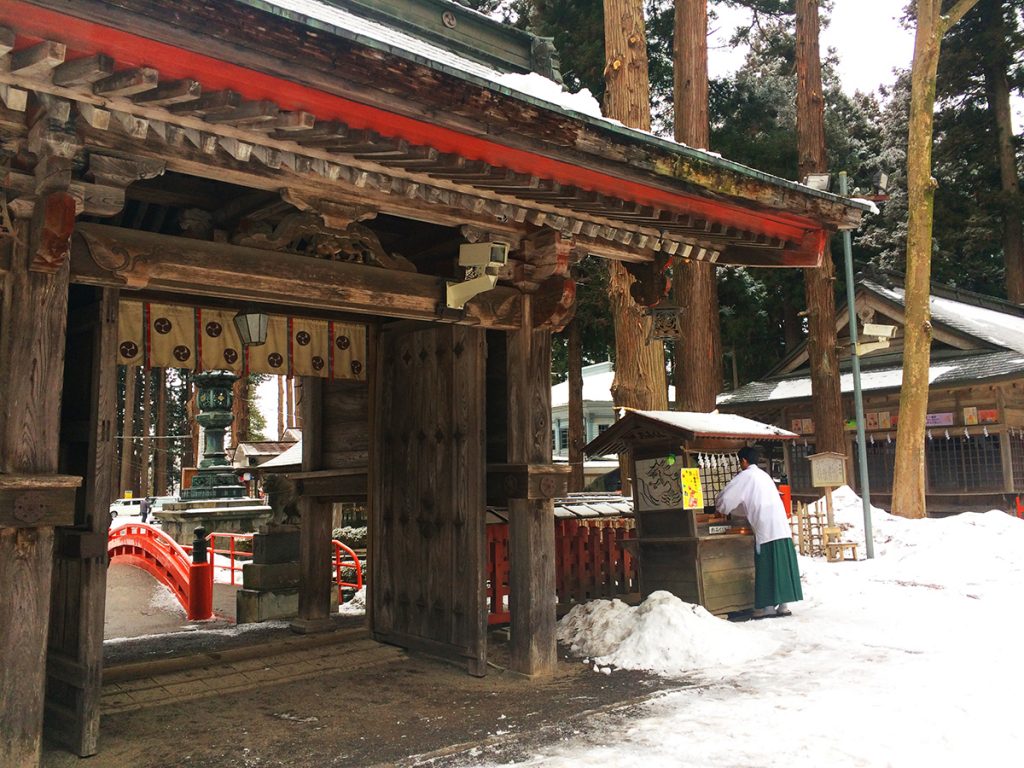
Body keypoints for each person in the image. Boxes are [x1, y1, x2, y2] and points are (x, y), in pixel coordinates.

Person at [715, 446, 802, 618]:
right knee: (781, 564)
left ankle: (768, 607)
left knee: (767, 563)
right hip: (780, 525)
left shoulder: (745, 476)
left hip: (765, 527)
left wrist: (720, 508)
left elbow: (726, 500)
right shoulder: (764, 476)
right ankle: (783, 605)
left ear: (744, 461)